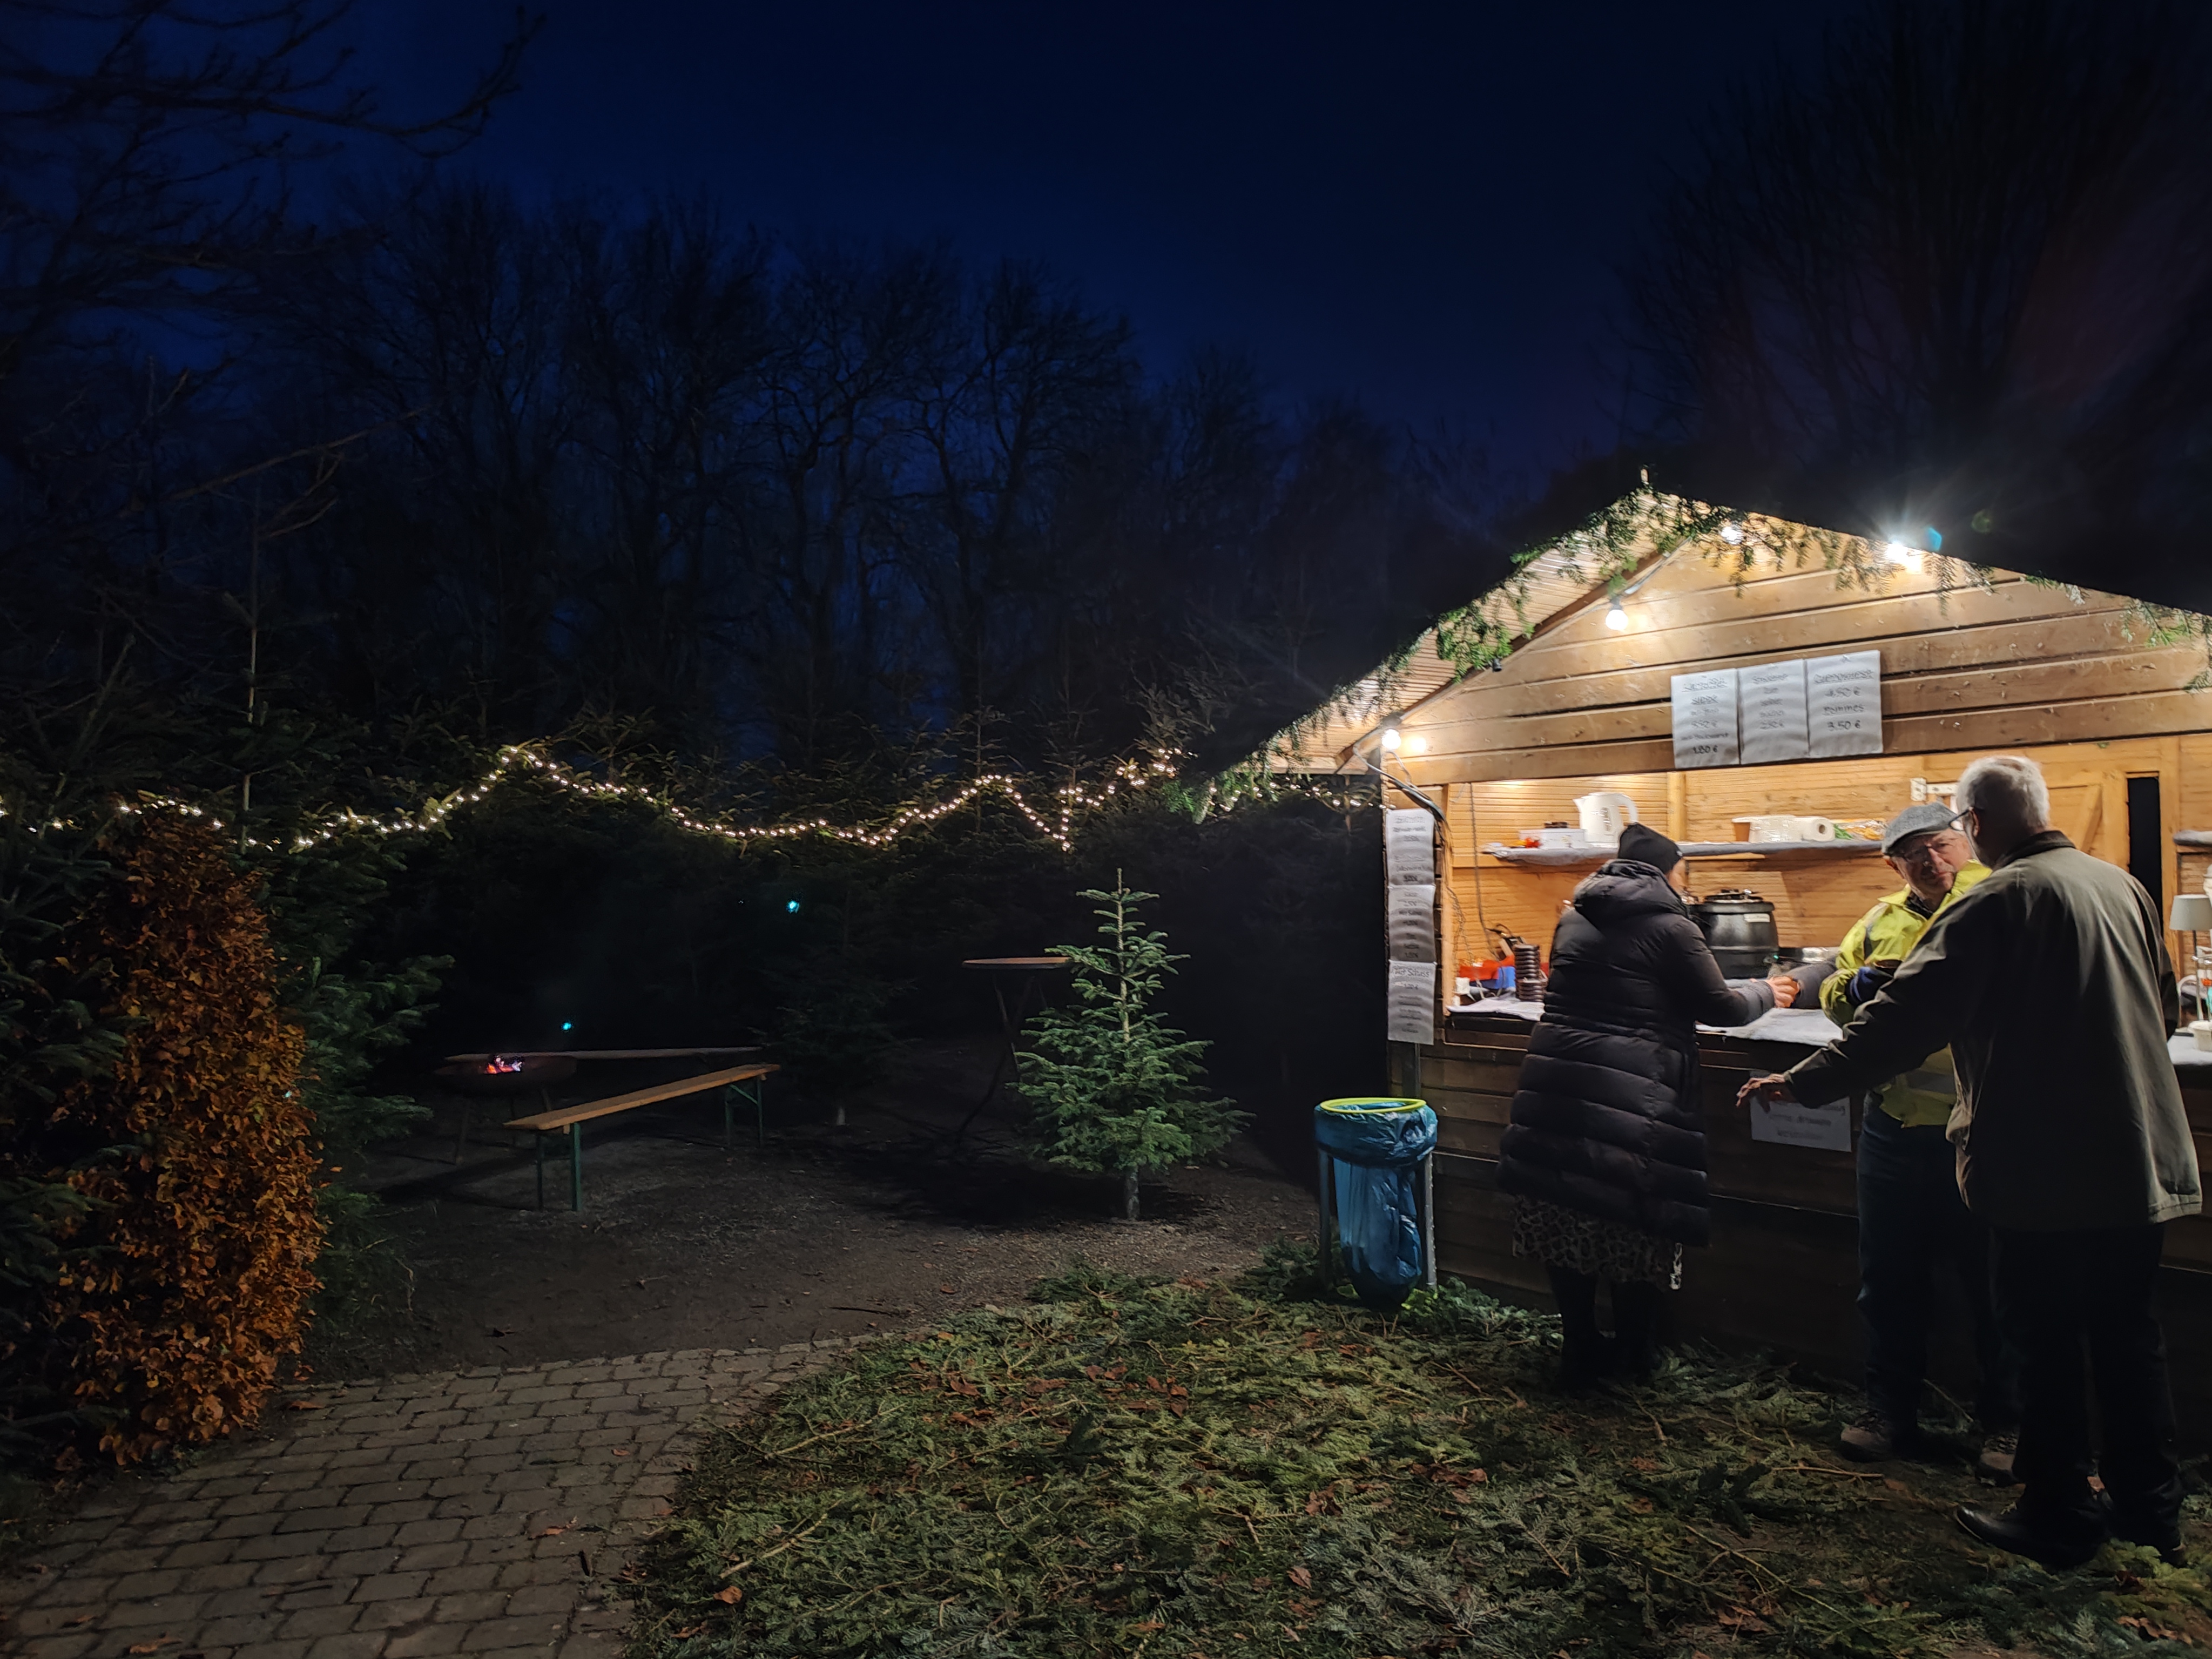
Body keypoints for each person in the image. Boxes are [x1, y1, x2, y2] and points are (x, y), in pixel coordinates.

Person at [1739, 756, 2199, 1568]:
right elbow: (2164, 1009)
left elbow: (1902, 1022)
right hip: (2140, 1158)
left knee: (2043, 1339)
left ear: (1975, 826)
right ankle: (2148, 1512)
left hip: (2045, 1170)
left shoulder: (1997, 898)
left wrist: (1800, 1084)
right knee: (2130, 1338)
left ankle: (2058, 1512)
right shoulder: (2117, 885)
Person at [1501, 822, 1798, 1390]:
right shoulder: (1671, 926)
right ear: (1668, 871)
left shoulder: (1573, 915)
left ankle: (1580, 1347)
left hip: (1557, 1082)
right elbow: (1723, 1008)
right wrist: (1771, 991)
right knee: (1633, 1220)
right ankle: (1636, 1354)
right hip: (1632, 1090)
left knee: (1564, 1210)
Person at [1822, 802, 2018, 1480]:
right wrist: (1855, 985)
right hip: (1893, 1127)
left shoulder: (1996, 897)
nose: (1932, 863)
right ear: (1893, 864)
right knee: (1888, 1280)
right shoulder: (1879, 918)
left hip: (1979, 1129)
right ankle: (1890, 1414)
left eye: (1939, 847)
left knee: (1994, 1284)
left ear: (1963, 840)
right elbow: (1835, 993)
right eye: (1914, 855)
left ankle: (2007, 1425)